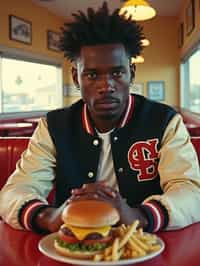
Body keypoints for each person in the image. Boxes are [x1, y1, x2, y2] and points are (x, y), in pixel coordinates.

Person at [0, 2, 200, 234]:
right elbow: (16, 189)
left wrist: (140, 215)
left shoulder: (165, 121)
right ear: (76, 78)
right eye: (92, 74)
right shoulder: (53, 126)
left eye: (117, 72)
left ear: (131, 73)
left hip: (147, 242)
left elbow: (191, 191)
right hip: (72, 242)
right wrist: (48, 217)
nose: (107, 86)